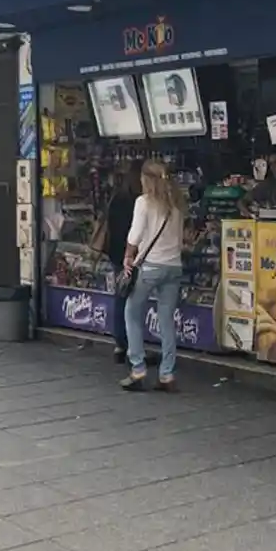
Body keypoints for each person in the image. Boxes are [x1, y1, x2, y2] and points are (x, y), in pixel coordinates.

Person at [120, 161, 186, 392]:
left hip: (150, 267)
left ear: (147, 179)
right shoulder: (177, 205)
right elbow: (179, 239)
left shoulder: (144, 203)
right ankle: (167, 373)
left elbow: (135, 235)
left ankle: (138, 368)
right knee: (166, 320)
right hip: (173, 267)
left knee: (132, 313)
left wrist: (128, 258)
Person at [105, 161, 147, 365]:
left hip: (116, 254)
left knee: (120, 296)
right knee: (132, 302)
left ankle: (120, 345)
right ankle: (132, 348)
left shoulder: (116, 199)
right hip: (131, 256)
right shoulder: (138, 202)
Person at [238, 151, 276, 218]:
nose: (273, 167)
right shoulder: (268, 184)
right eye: (270, 164)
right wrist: (248, 212)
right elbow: (243, 201)